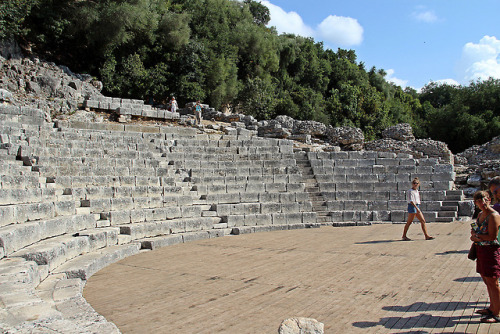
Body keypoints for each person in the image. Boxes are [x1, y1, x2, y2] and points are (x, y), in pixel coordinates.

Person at [470, 190, 500, 323]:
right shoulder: (480, 215)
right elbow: (478, 230)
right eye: (478, 201)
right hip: (481, 250)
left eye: (484, 200)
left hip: (491, 251)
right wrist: (474, 235)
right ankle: (492, 307)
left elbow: (492, 236)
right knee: (487, 280)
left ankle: (496, 313)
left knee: (493, 281)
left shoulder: (494, 215)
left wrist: (477, 237)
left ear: (489, 199)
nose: (482, 203)